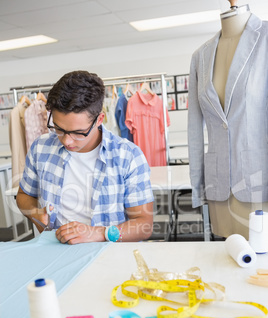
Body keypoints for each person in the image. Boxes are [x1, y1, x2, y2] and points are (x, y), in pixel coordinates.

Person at [16, 71, 154, 244]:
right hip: (56, 253)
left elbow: (144, 225)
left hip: (109, 256)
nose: (67, 140)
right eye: (58, 129)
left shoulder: (128, 156)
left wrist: (99, 233)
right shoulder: (41, 148)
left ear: (99, 119)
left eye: (78, 133)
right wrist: (35, 213)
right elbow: (24, 195)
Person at [187, 1, 268, 239]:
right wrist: (198, 186)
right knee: (226, 258)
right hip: (218, 188)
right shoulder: (200, 57)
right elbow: (194, 128)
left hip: (260, 182)